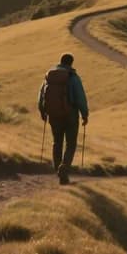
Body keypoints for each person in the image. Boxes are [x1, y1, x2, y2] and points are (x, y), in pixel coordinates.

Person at [38, 53, 89, 185]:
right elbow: (80, 97)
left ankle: (58, 170)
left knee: (57, 142)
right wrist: (85, 114)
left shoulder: (49, 76)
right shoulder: (73, 77)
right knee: (71, 143)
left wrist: (43, 111)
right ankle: (64, 168)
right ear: (71, 63)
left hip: (54, 115)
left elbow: (42, 95)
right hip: (70, 114)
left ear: (60, 61)